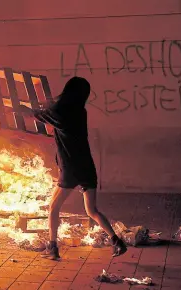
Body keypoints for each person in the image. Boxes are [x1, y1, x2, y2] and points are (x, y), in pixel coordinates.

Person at [19, 76, 127, 259]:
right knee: (92, 211)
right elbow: (51, 112)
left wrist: (22, 110)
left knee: (53, 207)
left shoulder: (60, 112)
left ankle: (52, 248)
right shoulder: (80, 111)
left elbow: (36, 115)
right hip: (86, 166)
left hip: (71, 167)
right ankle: (116, 241)